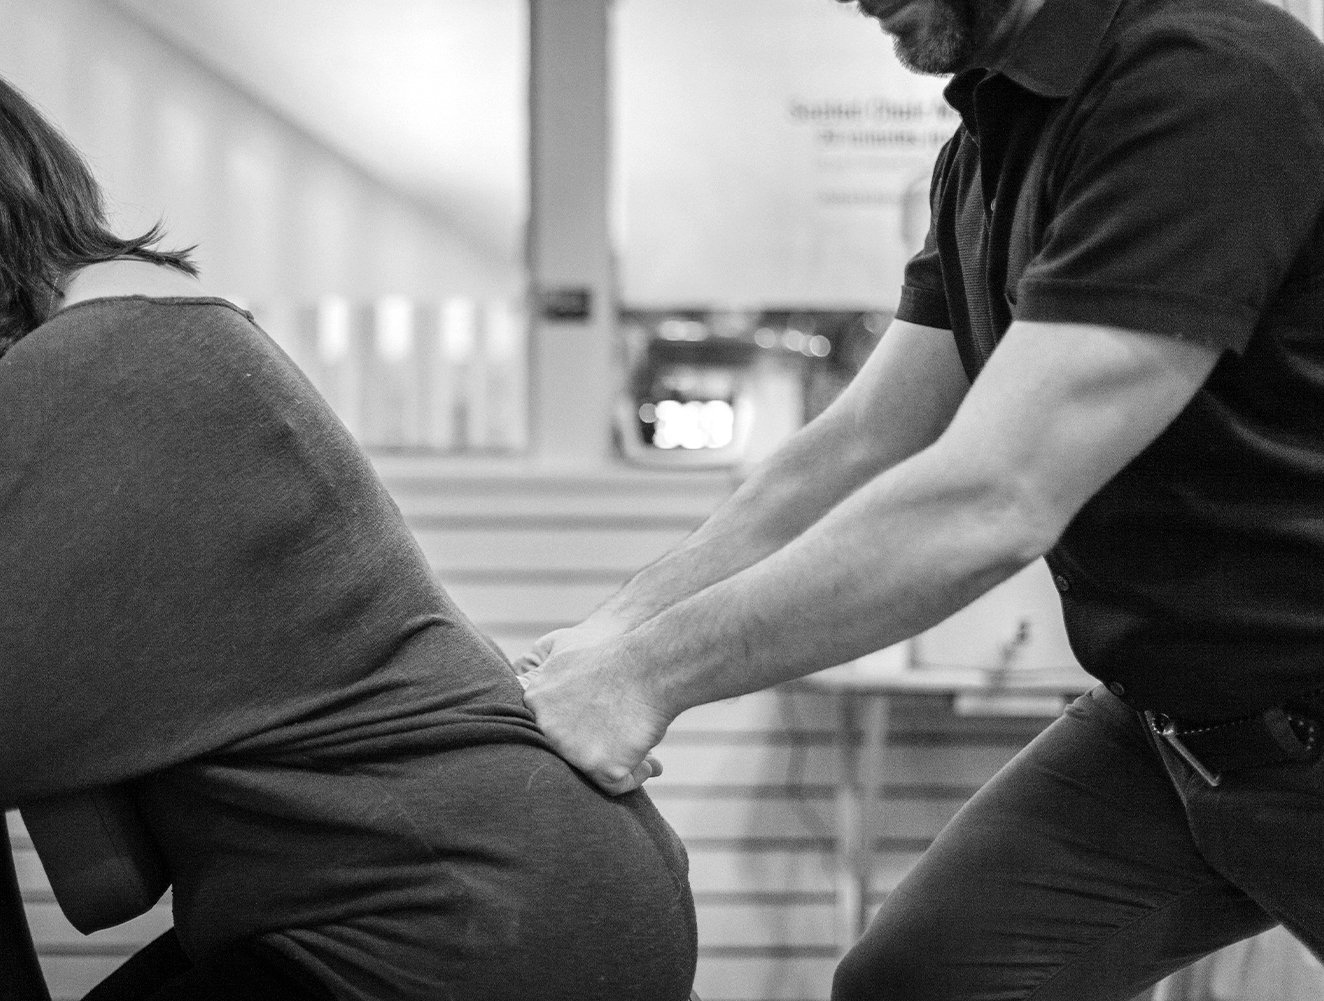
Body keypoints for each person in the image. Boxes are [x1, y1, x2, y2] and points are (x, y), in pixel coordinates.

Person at [0, 24, 697, 1001]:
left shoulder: (88, 372)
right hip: (507, 888)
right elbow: (98, 855)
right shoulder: (152, 333)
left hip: (455, 920)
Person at [518, 0, 1324, 997]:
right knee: (922, 981)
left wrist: (647, 677)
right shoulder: (989, 136)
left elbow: (996, 492)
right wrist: (614, 629)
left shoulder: (1206, 79)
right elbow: (862, 441)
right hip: (1179, 731)